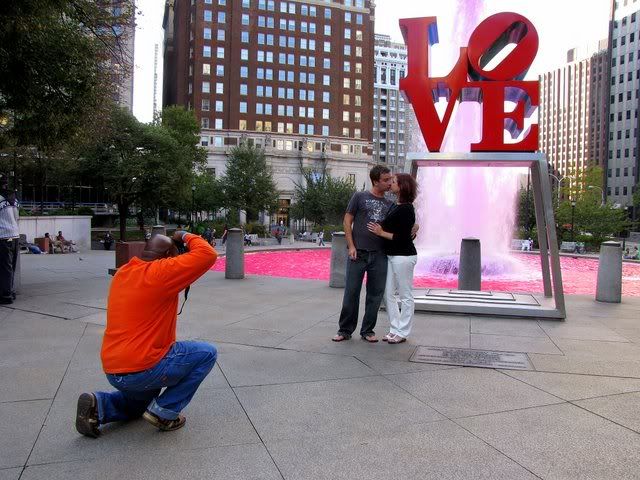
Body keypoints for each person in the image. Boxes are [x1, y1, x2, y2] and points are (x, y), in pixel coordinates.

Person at [75, 230, 218, 437]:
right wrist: (184, 235)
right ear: (170, 255)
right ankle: (164, 412)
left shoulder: (124, 272)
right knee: (207, 353)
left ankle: (100, 405)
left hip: (114, 370)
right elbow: (208, 254)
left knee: (138, 404)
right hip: (144, 368)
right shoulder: (161, 272)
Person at [332, 165, 394, 343]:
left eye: (390, 179)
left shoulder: (390, 205)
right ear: (375, 181)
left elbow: (399, 227)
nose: (389, 182)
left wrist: (415, 226)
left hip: (380, 255)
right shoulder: (359, 197)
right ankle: (345, 330)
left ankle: (367, 330)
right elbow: (347, 220)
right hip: (357, 254)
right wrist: (351, 246)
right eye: (386, 180)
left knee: (375, 295)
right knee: (351, 293)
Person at [368, 174, 418, 344]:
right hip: (391, 255)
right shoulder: (396, 205)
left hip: (403, 256)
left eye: (394, 182)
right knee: (388, 294)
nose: (391, 184)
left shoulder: (406, 208)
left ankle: (403, 331)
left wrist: (381, 233)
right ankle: (394, 328)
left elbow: (403, 237)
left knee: (405, 295)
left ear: (403, 186)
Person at [0, 184, 19, 304]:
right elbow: (17, 217)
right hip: (15, 234)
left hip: (2, 235)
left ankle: (6, 295)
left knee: (4, 267)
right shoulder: (14, 198)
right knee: (11, 266)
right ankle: (10, 291)